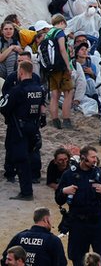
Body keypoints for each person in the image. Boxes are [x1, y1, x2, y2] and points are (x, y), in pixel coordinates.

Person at [55, 146, 101, 265]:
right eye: (92, 157)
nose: (95, 160)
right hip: (78, 224)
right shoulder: (69, 175)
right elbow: (58, 200)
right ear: (83, 158)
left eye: (96, 157)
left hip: (97, 222)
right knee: (78, 257)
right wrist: (64, 191)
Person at [1, 61, 45, 201]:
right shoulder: (39, 88)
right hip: (34, 126)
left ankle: (26, 192)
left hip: (19, 128)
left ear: (20, 72)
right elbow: (42, 107)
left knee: (21, 159)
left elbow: (4, 108)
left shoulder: (18, 90)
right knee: (31, 154)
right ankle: (29, 184)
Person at [42, 15, 74, 130]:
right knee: (68, 92)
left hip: (51, 68)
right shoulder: (59, 33)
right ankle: (66, 120)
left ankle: (55, 121)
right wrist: (68, 65)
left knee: (55, 94)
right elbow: (62, 49)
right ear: (61, 22)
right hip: (61, 67)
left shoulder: (48, 33)